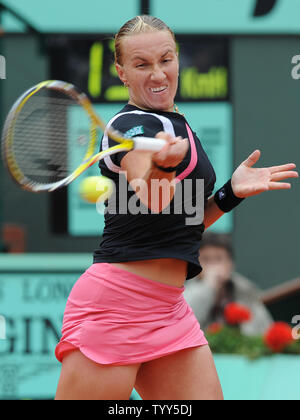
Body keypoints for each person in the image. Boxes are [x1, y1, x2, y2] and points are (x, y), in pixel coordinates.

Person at [54, 15, 298, 400]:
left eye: (166, 59)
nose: (158, 74)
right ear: (121, 72)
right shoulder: (130, 128)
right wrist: (164, 166)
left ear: (178, 60)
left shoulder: (176, 121)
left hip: (169, 308)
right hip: (116, 306)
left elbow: (185, 224)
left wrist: (229, 194)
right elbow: (152, 197)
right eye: (141, 64)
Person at [184, 233, 273, 336]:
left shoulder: (246, 292)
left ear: (230, 263)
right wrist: (208, 286)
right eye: (206, 259)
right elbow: (184, 326)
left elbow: (265, 332)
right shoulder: (184, 293)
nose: (213, 266)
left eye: (218, 259)